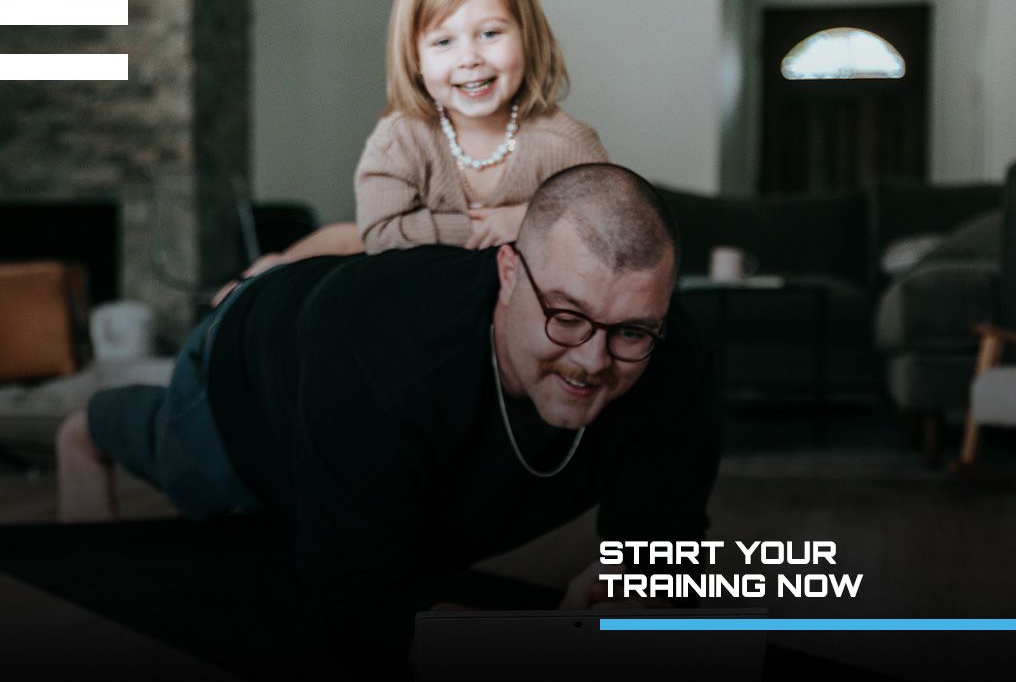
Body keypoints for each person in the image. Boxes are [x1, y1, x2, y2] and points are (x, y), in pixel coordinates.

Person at [56, 164, 718, 674]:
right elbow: (352, 607)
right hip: (250, 364)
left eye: (631, 330)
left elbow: (662, 551)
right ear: (509, 273)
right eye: (566, 316)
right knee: (196, 483)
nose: (593, 360)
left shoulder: (673, 360)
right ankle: (94, 424)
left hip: (358, 327)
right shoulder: (379, 365)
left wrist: (638, 596)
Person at [216, 0, 606, 304]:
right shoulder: (402, 136)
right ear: (416, 60)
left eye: (490, 33)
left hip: (504, 288)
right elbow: (380, 233)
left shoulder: (565, 143)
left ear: (529, 39)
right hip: (407, 266)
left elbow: (607, 225)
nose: (469, 58)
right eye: (443, 42)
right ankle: (271, 268)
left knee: (356, 240)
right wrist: (481, 230)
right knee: (349, 242)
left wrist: (526, 219)